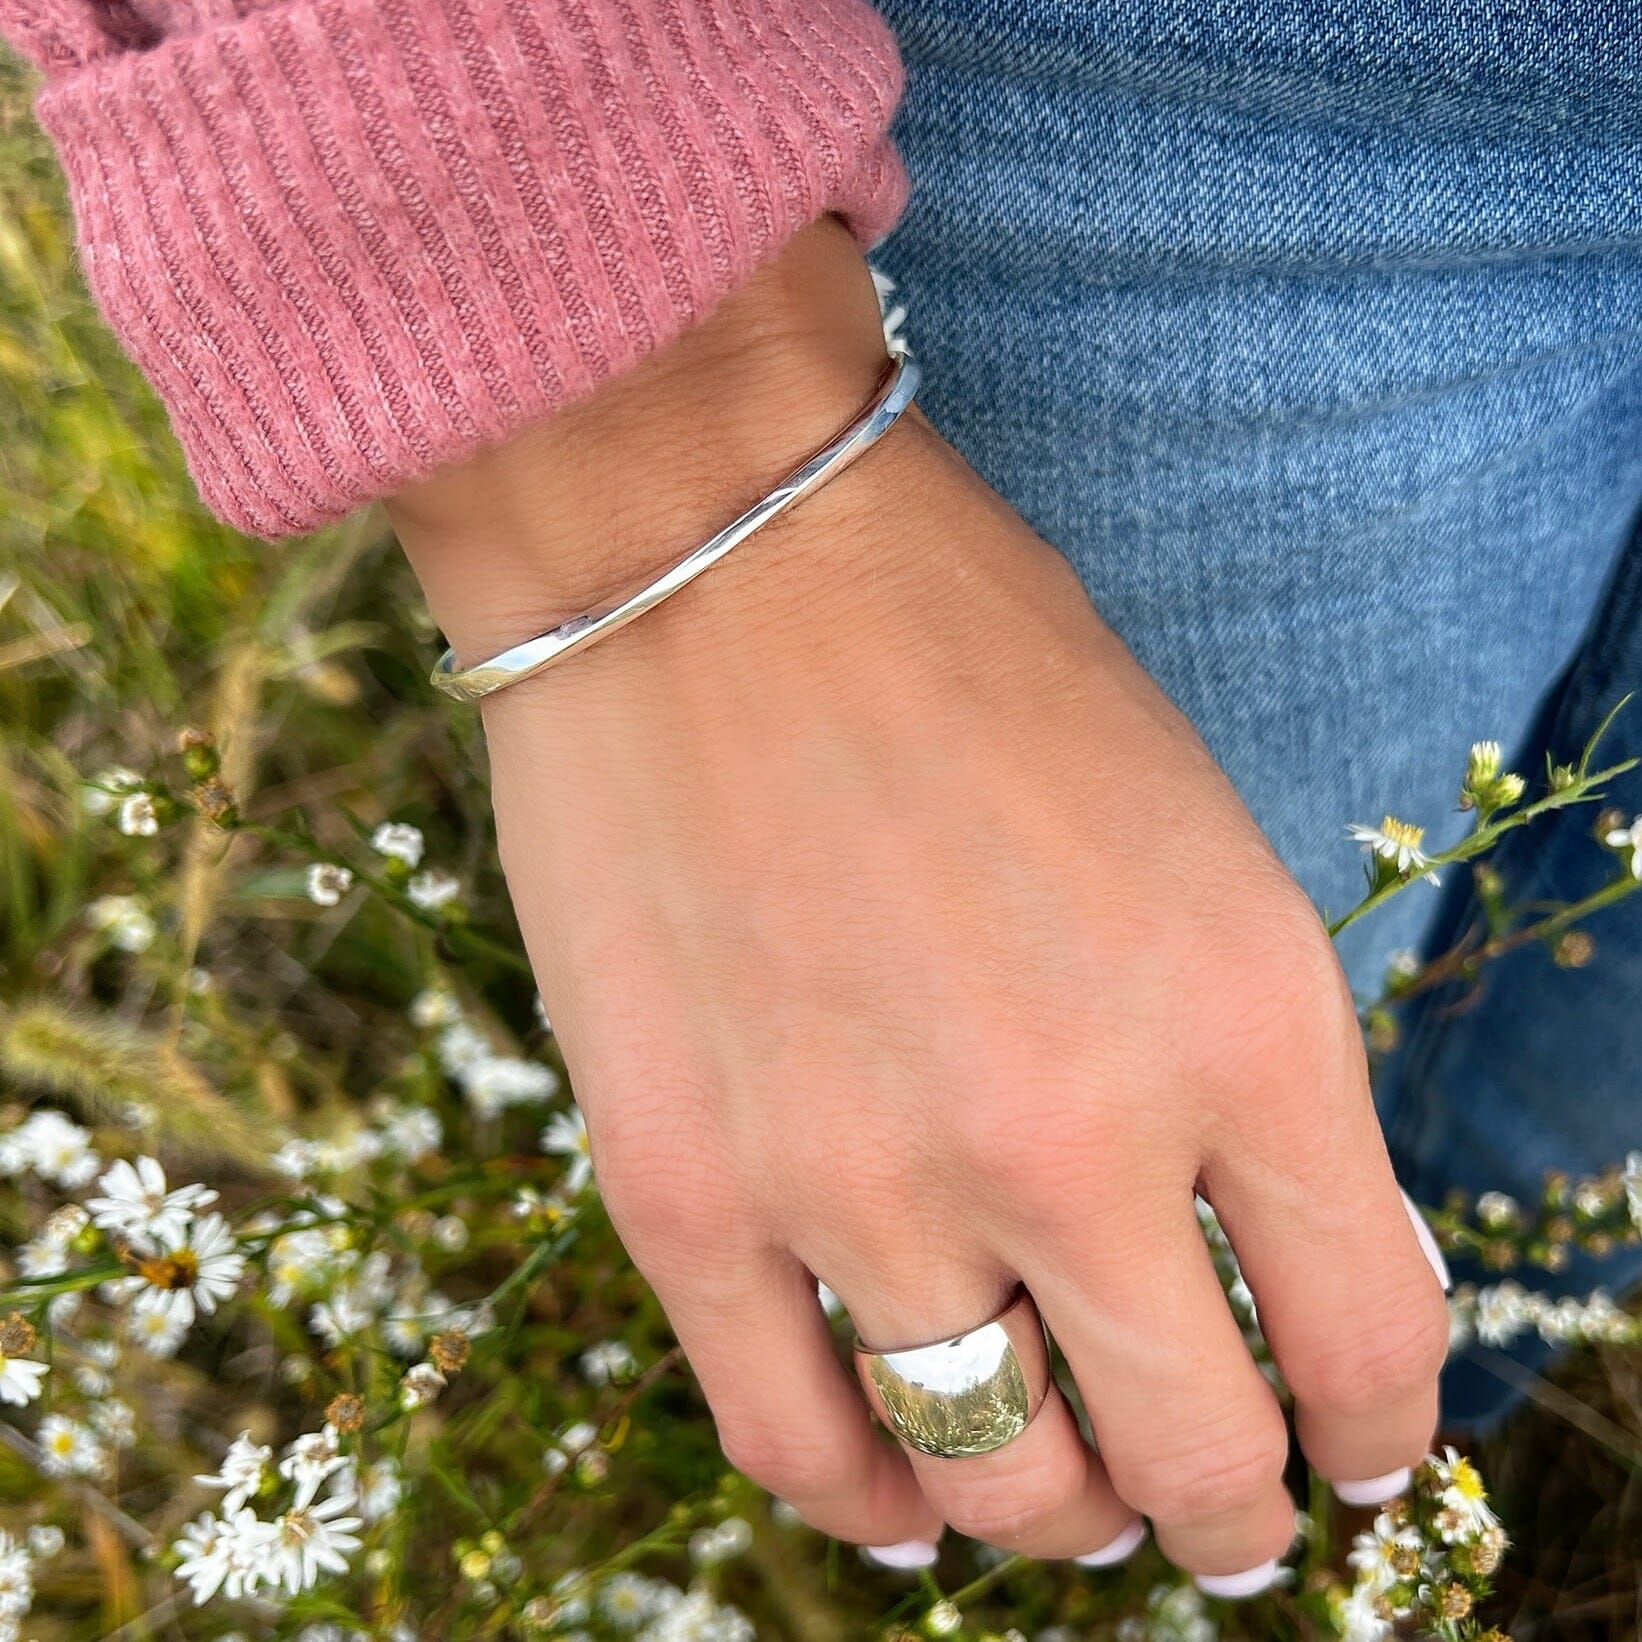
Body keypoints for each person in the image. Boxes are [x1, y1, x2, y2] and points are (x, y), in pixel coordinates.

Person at [5, 0, 1638, 1599]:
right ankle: (1289, 1389)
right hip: (1194, 100)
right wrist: (639, 424)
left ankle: (1434, 1374)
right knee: (1135, 1061)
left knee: (1568, 1062)